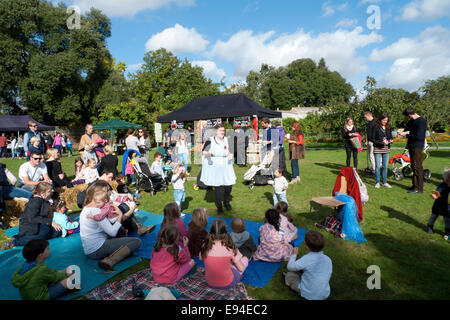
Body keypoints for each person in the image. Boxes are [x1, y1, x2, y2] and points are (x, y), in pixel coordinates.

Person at [79, 189, 142, 271]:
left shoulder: (85, 209)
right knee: (136, 242)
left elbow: (108, 223)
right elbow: (112, 232)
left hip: (89, 249)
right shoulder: (96, 211)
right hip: (97, 249)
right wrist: (120, 215)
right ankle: (109, 261)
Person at [11, 239, 78, 300]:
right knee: (70, 280)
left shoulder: (25, 267)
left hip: (29, 296)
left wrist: (64, 271)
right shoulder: (41, 269)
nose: (49, 250)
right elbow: (57, 277)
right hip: (40, 297)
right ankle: (72, 289)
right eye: (48, 249)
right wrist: (68, 274)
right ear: (41, 255)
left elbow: (50, 273)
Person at [3, 182, 62, 249]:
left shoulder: (44, 199)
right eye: (49, 191)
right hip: (30, 225)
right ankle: (15, 242)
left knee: (58, 231)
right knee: (45, 233)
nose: (52, 191)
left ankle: (28, 237)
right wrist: (50, 222)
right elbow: (33, 218)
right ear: (42, 193)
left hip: (40, 223)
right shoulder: (35, 201)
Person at [200, 219, 249, 289]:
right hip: (227, 283)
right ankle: (238, 277)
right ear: (225, 231)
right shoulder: (229, 247)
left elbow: (204, 259)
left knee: (228, 265)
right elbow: (241, 268)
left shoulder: (204, 246)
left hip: (209, 282)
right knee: (245, 259)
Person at [284, 230, 332, 300]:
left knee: (289, 275)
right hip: (324, 294)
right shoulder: (328, 259)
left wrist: (294, 254)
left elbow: (290, 267)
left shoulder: (307, 258)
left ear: (307, 246)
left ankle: (302, 292)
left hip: (309, 294)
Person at [200, 124, 236, 214]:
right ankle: (219, 206)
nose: (222, 132)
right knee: (218, 186)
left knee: (229, 185)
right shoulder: (210, 140)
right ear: (216, 131)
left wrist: (231, 155)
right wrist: (209, 154)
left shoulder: (227, 140)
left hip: (226, 164)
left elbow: (231, 151)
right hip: (214, 165)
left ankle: (226, 202)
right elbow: (203, 151)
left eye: (223, 131)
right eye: (220, 131)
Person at [397, 108, 427, 194]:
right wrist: (402, 130)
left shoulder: (421, 121)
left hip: (417, 147)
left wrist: (406, 134)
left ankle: (418, 188)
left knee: (417, 167)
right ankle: (415, 185)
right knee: (414, 166)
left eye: (408, 116)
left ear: (410, 115)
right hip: (411, 146)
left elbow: (419, 136)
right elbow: (407, 127)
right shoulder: (412, 121)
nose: (408, 118)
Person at [427, 168, 450, 240]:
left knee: (447, 220)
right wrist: (434, 195)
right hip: (439, 204)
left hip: (448, 207)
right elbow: (437, 192)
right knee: (434, 216)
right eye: (448, 178)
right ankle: (430, 226)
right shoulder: (442, 185)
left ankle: (447, 233)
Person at [372, 114, 393, 189]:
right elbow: (372, 139)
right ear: (380, 119)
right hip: (377, 148)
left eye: (386, 120)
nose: (385, 122)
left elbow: (390, 136)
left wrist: (390, 139)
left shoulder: (388, 127)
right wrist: (381, 143)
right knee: (377, 166)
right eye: (384, 120)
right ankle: (377, 182)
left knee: (385, 166)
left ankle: (384, 182)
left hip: (386, 148)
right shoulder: (375, 127)